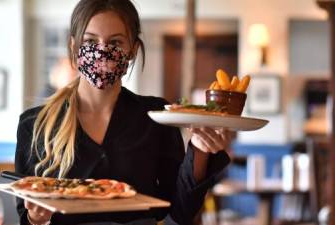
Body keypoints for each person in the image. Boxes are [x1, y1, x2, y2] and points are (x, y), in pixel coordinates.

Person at [14, 0, 232, 224]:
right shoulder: (34, 124)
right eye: (90, 41)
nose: (102, 51)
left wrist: (200, 150)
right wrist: (36, 218)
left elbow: (180, 213)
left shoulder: (156, 116)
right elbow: (26, 217)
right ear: (74, 48)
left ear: (132, 50)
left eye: (115, 42)